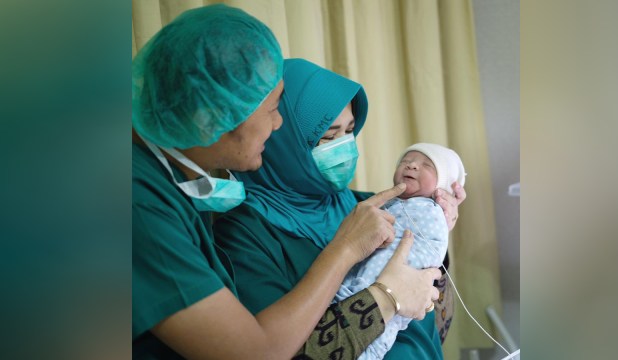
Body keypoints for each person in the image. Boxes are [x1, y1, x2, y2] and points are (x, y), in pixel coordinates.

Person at [132, 5, 442, 359]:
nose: (278, 125)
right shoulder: (140, 208)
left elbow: (427, 289)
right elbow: (254, 353)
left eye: (350, 132)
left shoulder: (179, 185)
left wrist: (432, 211)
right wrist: (357, 263)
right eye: (272, 110)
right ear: (212, 118)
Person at [215, 58, 466, 359]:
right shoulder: (242, 236)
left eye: (349, 131)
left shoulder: (370, 203)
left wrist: (435, 222)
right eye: (329, 136)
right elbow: (278, 351)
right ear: (281, 139)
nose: (345, 147)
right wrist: (387, 297)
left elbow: (433, 305)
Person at [336, 143, 466, 359]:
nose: (412, 166)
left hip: (394, 320)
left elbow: (427, 266)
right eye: (405, 161)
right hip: (353, 309)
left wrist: (444, 226)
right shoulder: (379, 206)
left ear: (443, 185)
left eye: (427, 165)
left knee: (374, 342)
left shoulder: (428, 213)